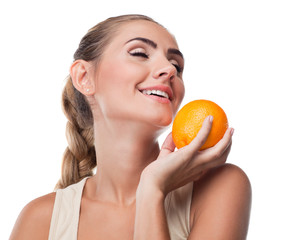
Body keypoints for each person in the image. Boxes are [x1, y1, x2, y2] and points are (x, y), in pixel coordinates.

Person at [10, 14, 251, 240]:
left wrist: (152, 191)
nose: (169, 71)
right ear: (84, 77)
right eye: (139, 53)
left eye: (177, 66)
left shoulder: (218, 187)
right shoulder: (39, 221)